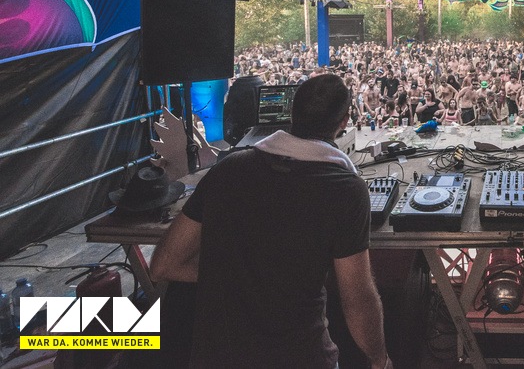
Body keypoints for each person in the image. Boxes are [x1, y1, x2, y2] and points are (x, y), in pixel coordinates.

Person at [150, 74, 391, 369]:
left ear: (291, 115)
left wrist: (244, 274)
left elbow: (163, 265)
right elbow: (357, 299)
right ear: (344, 122)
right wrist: (380, 359)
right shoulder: (346, 190)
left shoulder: (227, 170)